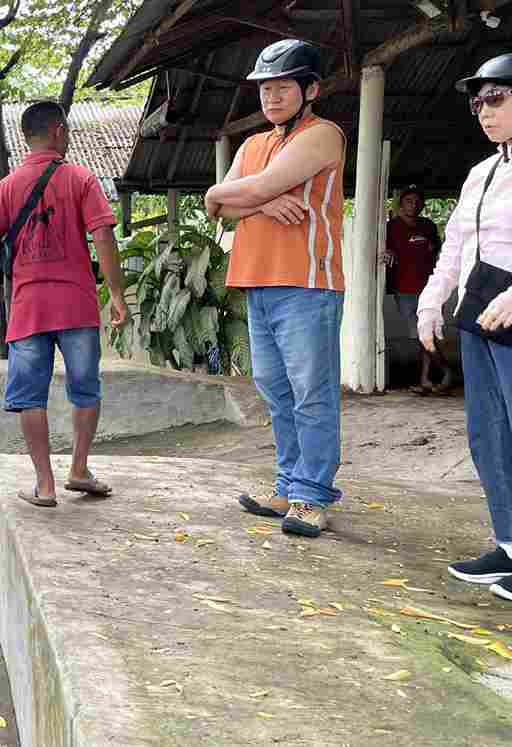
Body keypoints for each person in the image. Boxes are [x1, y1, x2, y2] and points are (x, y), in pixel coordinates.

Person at [204, 39, 347, 539]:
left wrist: (244, 194)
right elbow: (217, 207)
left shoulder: (323, 134)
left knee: (313, 393)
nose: (272, 96)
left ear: (310, 89)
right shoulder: (252, 144)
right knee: (276, 391)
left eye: (283, 86)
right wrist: (255, 202)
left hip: (307, 283)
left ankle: (312, 496)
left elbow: (245, 191)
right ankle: (288, 485)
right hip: (255, 279)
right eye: (265, 88)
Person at [0, 100, 128, 507]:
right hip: (77, 306)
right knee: (85, 389)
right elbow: (103, 236)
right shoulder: (82, 180)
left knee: (29, 397)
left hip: (28, 310)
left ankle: (45, 485)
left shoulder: (5, 188)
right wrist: (118, 295)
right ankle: (79, 468)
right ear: (58, 130)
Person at [419, 52, 512, 603]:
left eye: (496, 98)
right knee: (489, 434)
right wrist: (431, 302)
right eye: (478, 102)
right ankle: (509, 543)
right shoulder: (482, 172)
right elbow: (456, 244)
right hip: (479, 314)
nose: (484, 111)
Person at [382, 185, 451, 393]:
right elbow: (381, 250)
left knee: (425, 331)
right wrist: (387, 253)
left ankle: (427, 378)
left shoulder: (428, 226)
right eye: (409, 201)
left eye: (417, 201)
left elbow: (440, 249)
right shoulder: (390, 227)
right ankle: (445, 372)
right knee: (420, 332)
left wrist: (433, 249)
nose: (414, 205)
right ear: (401, 204)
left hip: (429, 287)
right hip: (404, 288)